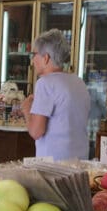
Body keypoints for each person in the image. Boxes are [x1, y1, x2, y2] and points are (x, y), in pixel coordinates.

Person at [20, 29, 90, 160]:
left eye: (34, 54)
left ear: (45, 58)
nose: (32, 60)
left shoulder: (45, 83)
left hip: (54, 165)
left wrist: (26, 110)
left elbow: (36, 132)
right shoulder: (79, 82)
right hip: (80, 161)